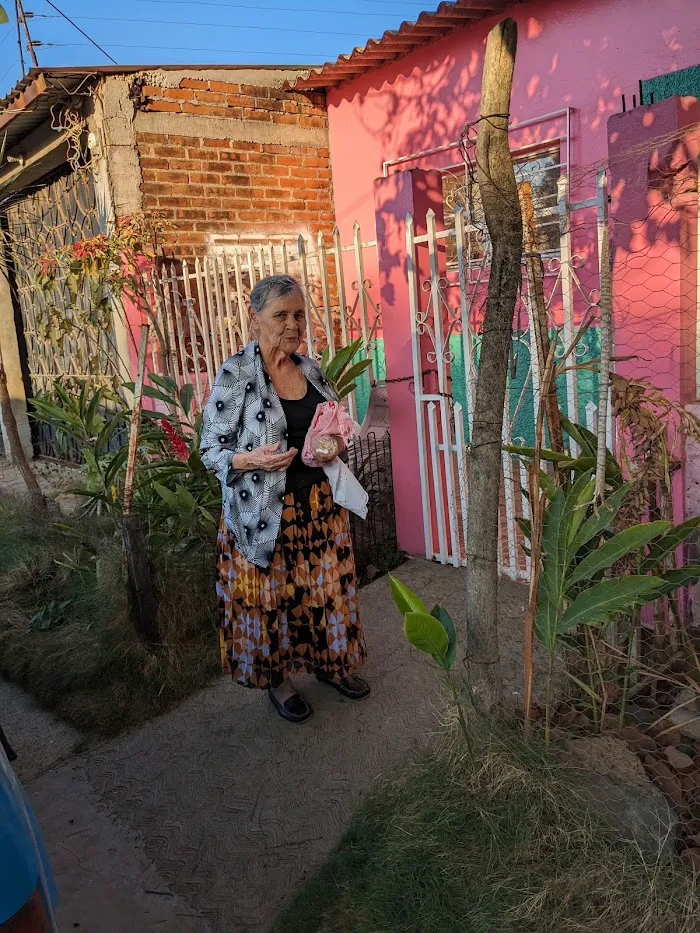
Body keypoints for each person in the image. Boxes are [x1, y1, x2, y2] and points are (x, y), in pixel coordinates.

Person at [200, 274, 369, 723]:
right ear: (255, 320)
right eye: (281, 315)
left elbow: (329, 424)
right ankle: (278, 682)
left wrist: (333, 441)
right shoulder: (237, 374)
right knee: (271, 603)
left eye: (298, 314)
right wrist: (250, 460)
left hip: (319, 510)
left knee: (324, 595)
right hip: (262, 516)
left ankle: (330, 665)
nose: (292, 325)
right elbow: (210, 450)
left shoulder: (310, 368)